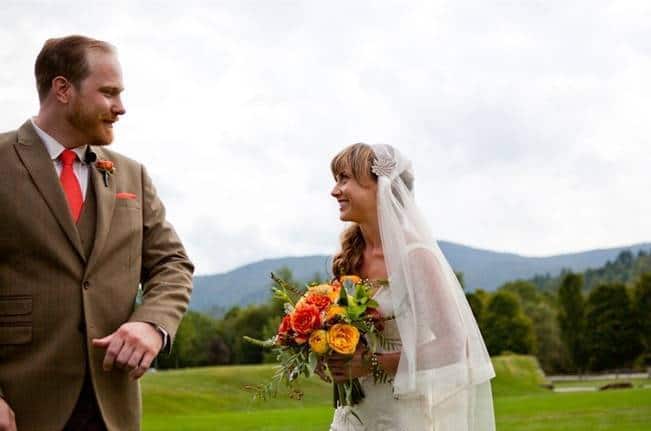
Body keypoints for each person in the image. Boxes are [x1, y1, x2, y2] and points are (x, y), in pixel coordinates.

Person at [0, 35, 194, 431]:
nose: (120, 108)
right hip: (19, 409)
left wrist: (152, 324)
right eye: (108, 93)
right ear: (63, 89)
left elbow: (172, 263)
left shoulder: (131, 174)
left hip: (113, 408)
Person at [325, 143, 495, 430]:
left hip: (399, 416)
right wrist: (331, 355)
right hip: (351, 417)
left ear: (379, 187)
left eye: (344, 179)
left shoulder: (416, 257)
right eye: (336, 180)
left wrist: (373, 363)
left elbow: (455, 345)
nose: (335, 190)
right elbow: (352, 333)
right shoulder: (348, 259)